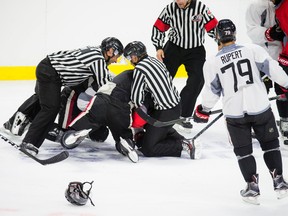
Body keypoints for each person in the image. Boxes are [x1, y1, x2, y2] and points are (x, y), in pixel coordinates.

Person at [193, 19, 288, 204]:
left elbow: (211, 91)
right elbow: (273, 70)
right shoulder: (253, 50)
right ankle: (279, 182)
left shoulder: (212, 62)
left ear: (218, 37)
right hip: (260, 107)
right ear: (235, 34)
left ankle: (252, 188)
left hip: (235, 114)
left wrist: (203, 110)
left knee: (243, 152)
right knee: (271, 145)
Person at [7, 37, 123, 156]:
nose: (116, 60)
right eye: (116, 56)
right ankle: (29, 143)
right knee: (51, 108)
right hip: (50, 73)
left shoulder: (95, 52)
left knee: (45, 101)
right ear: (110, 51)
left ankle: (16, 120)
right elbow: (104, 85)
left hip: (48, 67)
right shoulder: (98, 59)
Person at [124, 41, 201, 159]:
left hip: (165, 112)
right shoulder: (155, 61)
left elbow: (137, 99)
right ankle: (182, 139)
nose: (130, 60)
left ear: (135, 55)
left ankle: (183, 144)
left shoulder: (140, 68)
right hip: (176, 106)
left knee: (148, 149)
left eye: (130, 57)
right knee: (155, 131)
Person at [151, 0, 218, 132]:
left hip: (195, 49)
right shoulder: (170, 8)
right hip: (173, 47)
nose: (178, 1)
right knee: (162, 79)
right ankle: (155, 111)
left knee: (198, 80)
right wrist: (158, 47)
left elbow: (213, 27)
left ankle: (182, 115)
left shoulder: (201, 8)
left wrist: (222, 43)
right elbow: (158, 27)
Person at [60, 70, 140, 163]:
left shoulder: (111, 77)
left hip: (100, 102)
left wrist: (95, 118)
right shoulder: (142, 86)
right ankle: (125, 142)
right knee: (116, 134)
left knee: (81, 129)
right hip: (121, 111)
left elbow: (82, 102)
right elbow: (139, 110)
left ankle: (78, 131)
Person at [246, 0, 288, 145]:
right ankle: (256, 123)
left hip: (280, 56)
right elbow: (251, 30)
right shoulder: (256, 6)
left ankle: (285, 122)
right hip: (262, 56)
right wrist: (268, 33)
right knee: (260, 91)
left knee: (281, 91)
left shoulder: (282, 5)